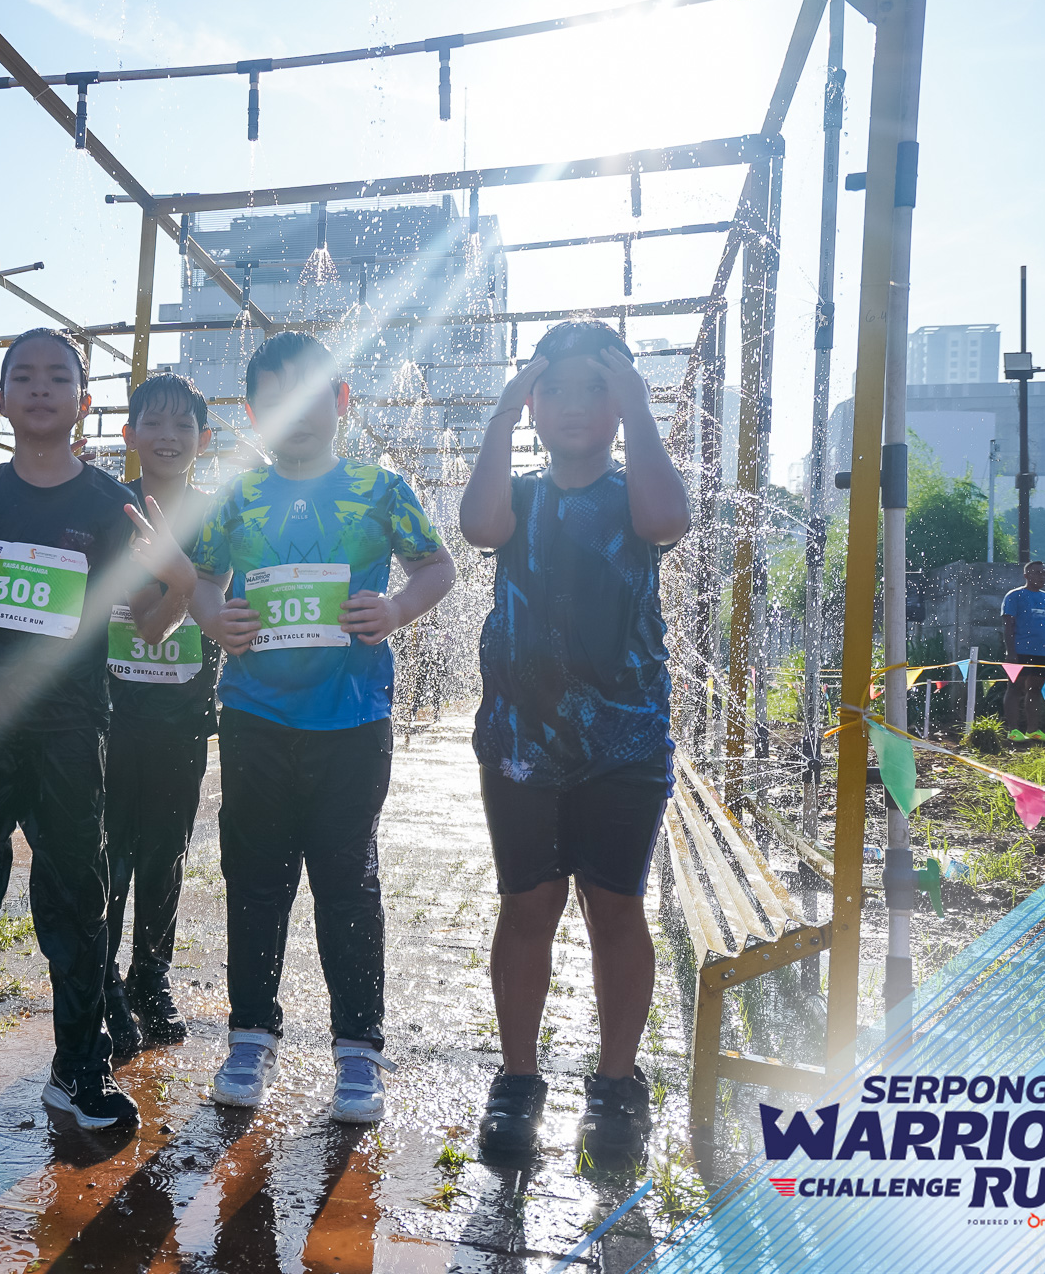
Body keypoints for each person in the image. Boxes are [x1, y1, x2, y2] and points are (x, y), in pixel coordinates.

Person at [0, 327, 195, 1135]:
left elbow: (153, 627)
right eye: (23, 376)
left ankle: (79, 1069)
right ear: (1, 400)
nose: (41, 387)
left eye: (58, 377)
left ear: (83, 402)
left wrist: (180, 581)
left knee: (78, 900)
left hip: (72, 732)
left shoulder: (110, 506)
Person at [191, 331, 457, 1123]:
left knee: (348, 882)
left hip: (352, 721)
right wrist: (215, 620)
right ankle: (250, 1037)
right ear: (252, 414)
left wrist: (398, 608)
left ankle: (359, 1051)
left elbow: (437, 566)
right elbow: (202, 579)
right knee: (255, 879)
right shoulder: (238, 496)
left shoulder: (379, 489)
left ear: (341, 400)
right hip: (254, 716)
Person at [458, 320, 690, 1171]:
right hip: (520, 742)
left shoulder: (636, 492)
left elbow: (668, 518)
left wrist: (638, 404)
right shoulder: (520, 497)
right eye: (553, 389)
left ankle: (617, 1086)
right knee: (527, 905)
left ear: (620, 402)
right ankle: (518, 1081)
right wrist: (499, 414)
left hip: (625, 740)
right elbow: (477, 527)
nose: (574, 405)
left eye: (595, 388)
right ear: (532, 404)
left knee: (615, 905)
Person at [102, 373, 220, 1058]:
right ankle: (102, 982)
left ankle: (150, 977)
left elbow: (211, 603)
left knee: (164, 850)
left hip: (182, 714)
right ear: (130, 434)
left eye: (183, 425)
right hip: (108, 711)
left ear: (204, 440)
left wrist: (178, 588)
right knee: (107, 848)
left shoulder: (217, 516)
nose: (168, 436)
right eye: (154, 422)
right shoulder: (107, 507)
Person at [1001, 559, 1045, 733]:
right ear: (1026, 575)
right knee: (1015, 688)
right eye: (1037, 573)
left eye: (1044, 573)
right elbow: (1008, 626)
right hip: (1021, 650)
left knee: (1035, 690)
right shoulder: (1014, 595)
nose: (1042, 576)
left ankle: (1033, 731)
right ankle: (1013, 731)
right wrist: (1011, 652)